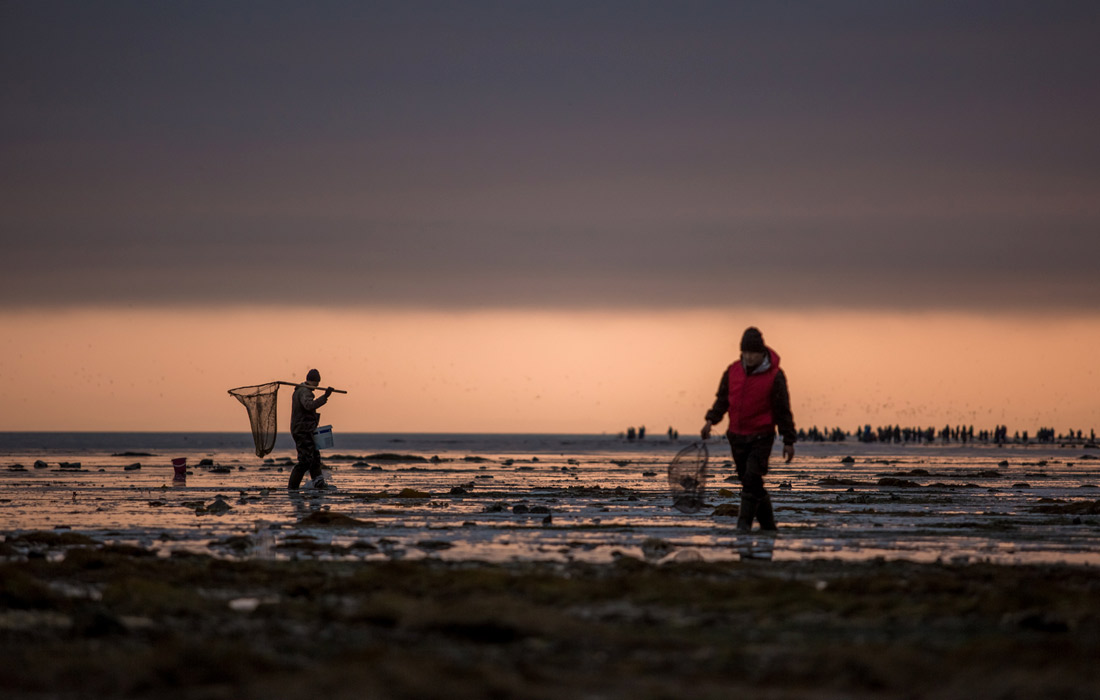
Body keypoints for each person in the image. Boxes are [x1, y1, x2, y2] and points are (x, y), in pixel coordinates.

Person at [701, 327, 796, 532]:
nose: (749, 357)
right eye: (746, 352)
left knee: (752, 478)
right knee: (750, 483)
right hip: (736, 436)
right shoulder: (732, 371)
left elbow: (783, 409)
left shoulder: (775, 376)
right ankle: (769, 527)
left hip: (762, 436)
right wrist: (711, 420)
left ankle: (742, 526)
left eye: (753, 352)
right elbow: (723, 400)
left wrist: (788, 440)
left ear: (762, 352)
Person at [288, 368, 335, 490]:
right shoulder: (304, 391)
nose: (317, 386)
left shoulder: (301, 390)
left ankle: (319, 484)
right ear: (313, 381)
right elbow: (309, 405)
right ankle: (292, 488)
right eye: (317, 383)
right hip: (302, 430)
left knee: (314, 458)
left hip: (306, 429)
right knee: (305, 460)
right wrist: (325, 397)